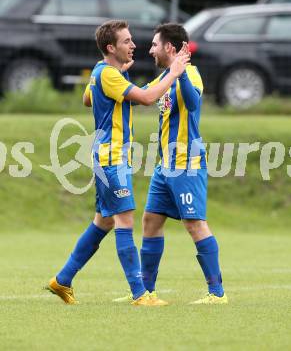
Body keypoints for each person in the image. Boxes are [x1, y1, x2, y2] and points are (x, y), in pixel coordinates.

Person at [45, 20, 189, 306]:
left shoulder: (102, 73)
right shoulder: (108, 75)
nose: (134, 45)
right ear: (111, 48)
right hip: (111, 160)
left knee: (104, 222)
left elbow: (88, 98)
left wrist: (116, 77)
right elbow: (148, 98)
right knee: (125, 220)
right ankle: (140, 294)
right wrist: (173, 73)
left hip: (108, 158)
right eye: (127, 41)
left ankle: (62, 280)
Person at [115, 23, 227, 305]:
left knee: (195, 224)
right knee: (150, 221)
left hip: (186, 162)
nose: (150, 49)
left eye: (154, 44)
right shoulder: (165, 77)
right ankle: (146, 291)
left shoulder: (190, 73)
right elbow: (141, 96)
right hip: (165, 165)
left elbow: (192, 103)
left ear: (169, 47)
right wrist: (118, 79)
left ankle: (217, 293)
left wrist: (180, 74)